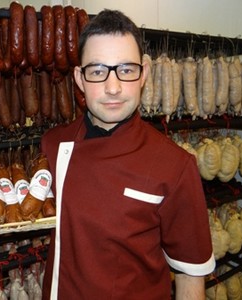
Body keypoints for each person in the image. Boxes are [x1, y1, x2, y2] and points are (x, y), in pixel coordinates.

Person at [39, 10, 215, 299]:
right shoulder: (53, 145)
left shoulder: (175, 165)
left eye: (126, 69)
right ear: (79, 79)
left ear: (144, 73)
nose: (113, 87)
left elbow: (190, 274)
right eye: (97, 71)